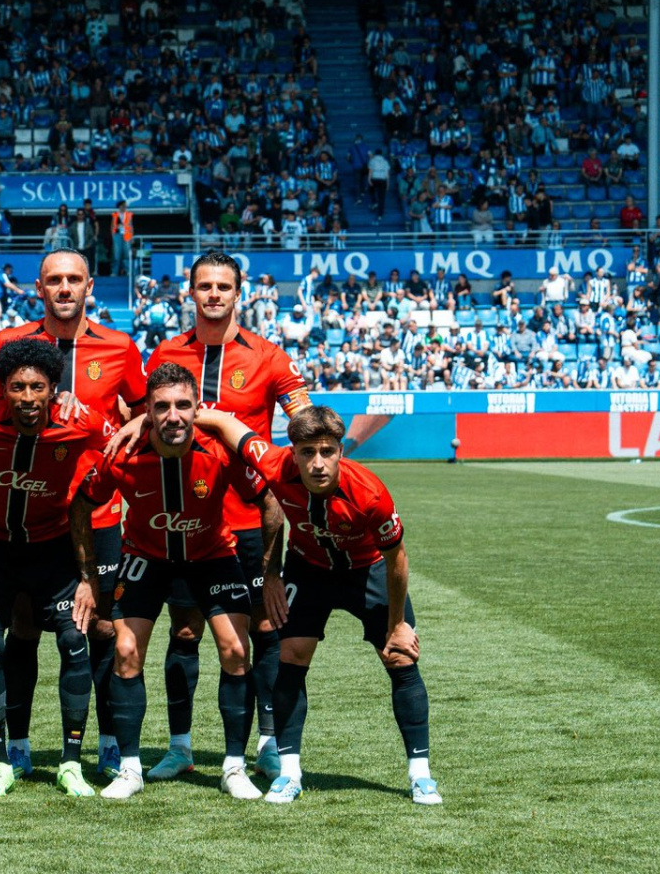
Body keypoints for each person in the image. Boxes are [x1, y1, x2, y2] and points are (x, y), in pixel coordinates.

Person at [69, 363, 285, 801]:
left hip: (211, 557)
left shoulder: (220, 450)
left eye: (183, 405)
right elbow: (80, 507)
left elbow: (271, 503)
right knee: (126, 651)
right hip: (146, 558)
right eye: (162, 406)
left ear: (197, 409)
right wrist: (88, 576)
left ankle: (233, 767)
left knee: (237, 650)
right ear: (146, 411)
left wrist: (271, 572)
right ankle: (129, 769)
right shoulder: (120, 454)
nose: (174, 416)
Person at [208, 405, 440, 806]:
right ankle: (289, 773)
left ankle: (421, 775)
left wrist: (398, 622)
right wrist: (274, 572)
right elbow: (228, 424)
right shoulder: (273, 461)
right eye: (307, 452)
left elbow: (396, 559)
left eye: (328, 451)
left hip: (365, 571)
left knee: (401, 658)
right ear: (292, 452)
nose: (318, 463)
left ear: (340, 450)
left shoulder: (369, 493)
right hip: (309, 568)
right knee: (291, 654)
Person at [0, 249, 147, 778]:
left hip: (98, 516)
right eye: (55, 280)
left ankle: (111, 742)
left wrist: (111, 423)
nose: (65, 288)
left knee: (99, 629)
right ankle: (20, 746)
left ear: (90, 285)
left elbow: (141, 414)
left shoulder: (118, 347)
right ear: (39, 287)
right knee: (23, 628)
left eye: (74, 279)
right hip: (36, 516)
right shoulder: (10, 346)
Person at [144, 250, 310, 780]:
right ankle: (181, 746)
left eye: (224, 286)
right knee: (186, 630)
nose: (214, 294)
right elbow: (140, 419)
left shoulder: (268, 357)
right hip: (183, 517)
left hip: (248, 519)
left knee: (262, 628)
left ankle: (263, 741)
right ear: (189, 293)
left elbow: (306, 421)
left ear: (240, 293)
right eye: (204, 286)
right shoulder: (167, 355)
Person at [0, 339, 111, 798]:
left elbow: (122, 441)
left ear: (55, 388)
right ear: (2, 389)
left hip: (53, 551)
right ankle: (0, 763)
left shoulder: (80, 422)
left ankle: (70, 764)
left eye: (38, 387)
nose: (28, 398)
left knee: (75, 641)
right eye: (17, 388)